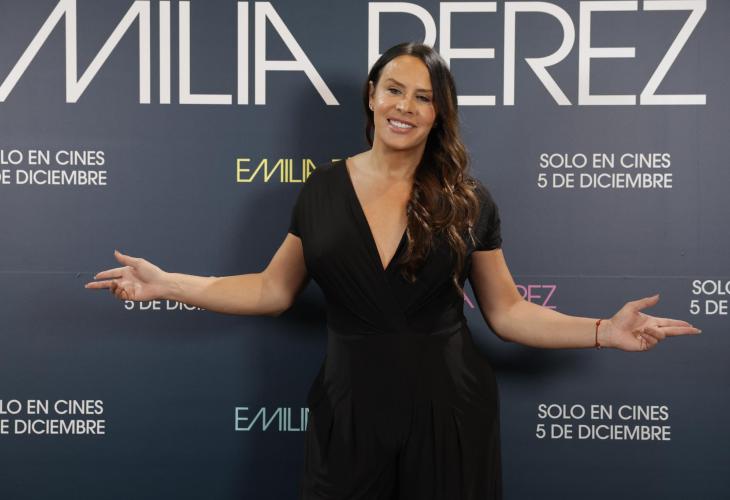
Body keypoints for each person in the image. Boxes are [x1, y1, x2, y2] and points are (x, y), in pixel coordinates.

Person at [85, 42, 701, 500]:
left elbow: (508, 312)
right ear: (372, 96)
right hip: (348, 413)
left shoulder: (468, 201)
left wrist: (603, 330)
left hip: (450, 414)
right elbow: (272, 289)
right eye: (394, 89)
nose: (405, 106)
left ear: (439, 113)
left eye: (423, 96)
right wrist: (167, 284)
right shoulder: (322, 190)